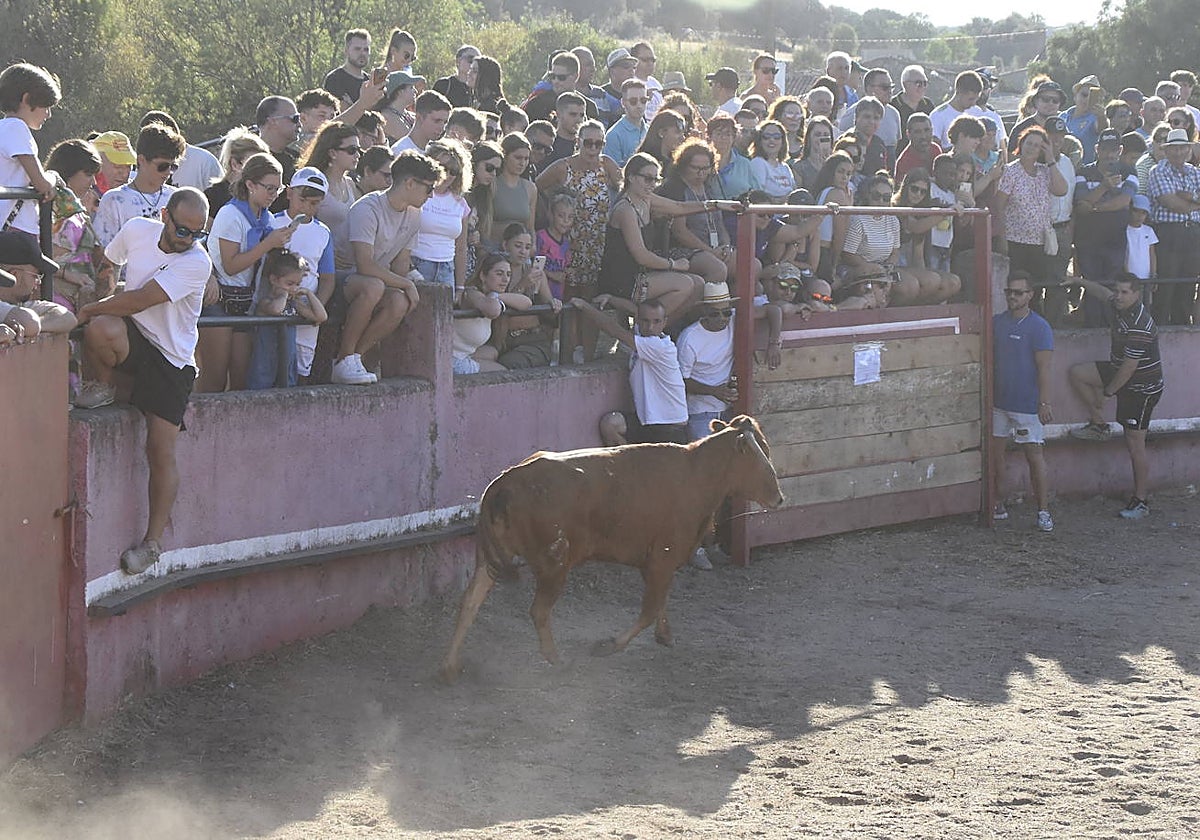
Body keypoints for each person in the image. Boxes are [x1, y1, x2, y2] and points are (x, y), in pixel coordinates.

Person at [73, 188, 213, 574]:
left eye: (197, 234)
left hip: (172, 361)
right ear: (165, 215)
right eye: (182, 230)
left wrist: (86, 308)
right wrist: (103, 289)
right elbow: (109, 262)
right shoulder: (136, 229)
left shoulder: (197, 263)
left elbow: (140, 300)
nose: (188, 240)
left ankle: (152, 543)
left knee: (159, 450)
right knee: (101, 328)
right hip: (135, 338)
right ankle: (101, 386)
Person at [332, 150, 444, 384]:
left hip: (375, 282)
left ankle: (355, 359)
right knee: (374, 286)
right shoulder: (368, 208)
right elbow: (364, 265)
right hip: (339, 280)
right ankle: (343, 358)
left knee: (399, 301)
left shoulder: (415, 214)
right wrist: (405, 284)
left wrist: (403, 287)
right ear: (410, 183)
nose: (431, 195)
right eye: (428, 188)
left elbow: (401, 264)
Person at [1068, 273, 1163, 520]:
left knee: (1135, 444)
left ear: (1136, 294)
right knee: (1078, 373)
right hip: (1120, 369)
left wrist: (1107, 393)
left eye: (1124, 292)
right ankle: (1099, 424)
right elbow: (1102, 292)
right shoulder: (1118, 303)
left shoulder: (1141, 323)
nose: (1118, 296)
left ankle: (1141, 501)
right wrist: (1080, 282)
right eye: (1118, 291)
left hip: (1142, 387)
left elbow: (1130, 368)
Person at [198, 152, 291, 392]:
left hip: (245, 300)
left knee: (241, 380)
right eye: (269, 189)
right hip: (218, 301)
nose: (274, 195)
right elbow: (231, 265)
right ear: (250, 184)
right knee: (214, 380)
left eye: (278, 190)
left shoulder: (264, 216)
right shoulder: (231, 215)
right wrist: (268, 244)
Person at [535, 120, 618, 358]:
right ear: (578, 142)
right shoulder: (563, 167)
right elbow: (536, 189)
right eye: (588, 143)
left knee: (589, 302)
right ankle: (566, 354)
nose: (593, 149)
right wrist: (552, 214)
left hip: (597, 245)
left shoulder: (608, 165)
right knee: (568, 300)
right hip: (567, 244)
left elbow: (623, 188)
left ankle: (587, 355)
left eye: (598, 143)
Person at [598, 152, 709, 322]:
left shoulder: (646, 199)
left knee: (699, 285)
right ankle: (645, 331)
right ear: (631, 177)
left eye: (656, 180)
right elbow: (641, 256)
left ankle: (656, 331)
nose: (652, 184)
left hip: (643, 273)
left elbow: (678, 207)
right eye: (648, 179)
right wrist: (674, 265)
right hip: (624, 280)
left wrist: (715, 205)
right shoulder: (625, 210)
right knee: (685, 284)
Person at [575, 295, 690, 445]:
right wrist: (610, 298)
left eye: (656, 322)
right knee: (610, 424)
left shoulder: (660, 347)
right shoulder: (642, 334)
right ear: (637, 320)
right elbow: (632, 309)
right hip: (647, 421)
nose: (650, 327)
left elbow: (615, 331)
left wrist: (585, 306)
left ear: (665, 322)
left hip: (670, 426)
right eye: (645, 321)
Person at [991, 271, 1055, 532]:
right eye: (1009, 291)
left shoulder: (1039, 327)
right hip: (998, 402)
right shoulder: (997, 322)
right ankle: (998, 503)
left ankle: (1043, 510)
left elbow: (1044, 369)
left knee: (1034, 456)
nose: (1012, 296)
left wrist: (1044, 403)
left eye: (1018, 292)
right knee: (995, 457)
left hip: (1027, 405)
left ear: (1030, 295)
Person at [269, 166, 335, 383]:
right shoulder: (271, 222)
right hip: (273, 309)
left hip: (306, 313)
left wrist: (313, 309)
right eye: (302, 199)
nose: (307, 207)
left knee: (300, 372)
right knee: (270, 365)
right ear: (289, 193)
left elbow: (327, 278)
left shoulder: (323, 233)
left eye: (314, 203)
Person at [993, 126, 1068, 290]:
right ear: (1022, 144)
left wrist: (1050, 159)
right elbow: (998, 206)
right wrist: (1002, 238)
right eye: (1029, 143)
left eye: (1037, 145)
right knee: (1015, 286)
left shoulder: (1044, 172)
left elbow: (1062, 190)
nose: (1031, 148)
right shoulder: (1010, 171)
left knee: (1035, 288)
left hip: (1040, 243)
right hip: (1015, 242)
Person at [1074, 129, 1137, 325]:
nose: (1109, 154)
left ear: (1120, 150)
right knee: (1092, 287)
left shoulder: (1128, 171)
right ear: (1097, 149)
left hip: (1115, 241)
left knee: (1113, 288)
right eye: (1105, 149)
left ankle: (1113, 329)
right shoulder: (1084, 171)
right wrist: (1104, 186)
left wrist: (1092, 207)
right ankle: (1093, 331)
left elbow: (1124, 201)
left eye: (1113, 150)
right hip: (1088, 242)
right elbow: (1079, 205)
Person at [94, 122, 186, 247]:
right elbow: (103, 252)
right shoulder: (114, 200)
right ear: (141, 160)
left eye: (173, 167)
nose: (168, 172)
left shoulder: (177, 198)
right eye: (162, 166)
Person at [246, 248, 327, 390]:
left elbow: (321, 316)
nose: (294, 289)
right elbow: (276, 310)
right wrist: (283, 294)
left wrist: (308, 294)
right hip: (264, 369)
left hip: (286, 369)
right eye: (289, 284)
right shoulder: (265, 302)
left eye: (297, 284)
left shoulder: (294, 304)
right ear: (273, 280)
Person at [44, 138, 106, 315]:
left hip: (80, 295)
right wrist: (66, 274)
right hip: (57, 296)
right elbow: (43, 257)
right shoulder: (50, 207)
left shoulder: (76, 208)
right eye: (88, 174)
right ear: (68, 172)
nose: (93, 181)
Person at [1146, 127, 1200, 325]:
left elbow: (1181, 202)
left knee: (1187, 286)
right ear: (1166, 150)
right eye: (1174, 148)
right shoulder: (1158, 171)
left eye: (1182, 148)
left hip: (1193, 233)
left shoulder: (1195, 172)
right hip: (1168, 233)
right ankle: (1158, 334)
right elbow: (1171, 203)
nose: (1178, 152)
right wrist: (1195, 202)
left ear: (1188, 150)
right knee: (1165, 287)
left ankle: (1182, 333)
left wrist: (1190, 198)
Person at [0, 62, 59, 238]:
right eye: (46, 106)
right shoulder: (16, 128)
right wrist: (53, 177)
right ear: (27, 99)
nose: (48, 114)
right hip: (16, 229)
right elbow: (41, 183)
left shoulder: (3, 128)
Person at [494, 222, 560, 368]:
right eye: (518, 246)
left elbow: (549, 307)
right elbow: (497, 305)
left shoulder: (536, 273)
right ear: (505, 245)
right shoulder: (497, 271)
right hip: (502, 339)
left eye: (527, 247)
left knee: (512, 364)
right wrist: (522, 285)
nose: (523, 251)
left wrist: (555, 304)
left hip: (532, 339)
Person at [453, 252, 530, 373]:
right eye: (499, 274)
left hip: (465, 353)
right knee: (503, 373)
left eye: (508, 275)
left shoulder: (494, 296)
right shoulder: (471, 293)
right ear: (483, 276)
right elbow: (492, 310)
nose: (505, 280)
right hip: (452, 358)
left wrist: (497, 295)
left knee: (492, 353)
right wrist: (494, 297)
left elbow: (526, 303)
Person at [411, 138, 471, 288]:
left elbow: (461, 248)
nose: (448, 175)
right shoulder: (415, 194)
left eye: (454, 171)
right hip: (416, 264)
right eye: (443, 167)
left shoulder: (460, 203)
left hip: (447, 269)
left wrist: (460, 286)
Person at [297, 121, 362, 254]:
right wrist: (328, 253)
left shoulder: (351, 184)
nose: (358, 155)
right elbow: (301, 227)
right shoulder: (314, 184)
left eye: (358, 150)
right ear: (332, 153)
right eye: (352, 150)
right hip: (319, 258)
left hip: (349, 261)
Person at [0, 230, 72, 337]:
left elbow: (67, 318)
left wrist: (26, 328)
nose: (39, 281)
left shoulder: (19, 303)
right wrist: (29, 326)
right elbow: (30, 322)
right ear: (14, 274)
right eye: (36, 275)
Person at [140, 110, 222, 193]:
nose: (168, 172)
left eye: (173, 166)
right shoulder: (143, 164)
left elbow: (220, 199)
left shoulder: (204, 162)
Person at [203, 127, 270, 222]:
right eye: (253, 163)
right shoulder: (213, 197)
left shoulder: (259, 195)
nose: (261, 169)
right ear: (235, 164)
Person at [486, 132, 536, 245]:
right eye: (518, 158)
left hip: (521, 252)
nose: (522, 163)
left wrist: (533, 246)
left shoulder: (530, 188)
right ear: (505, 156)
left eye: (526, 159)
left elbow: (530, 227)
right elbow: (484, 225)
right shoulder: (491, 183)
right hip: (494, 248)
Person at [839, 69, 901, 158]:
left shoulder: (894, 113)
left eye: (891, 87)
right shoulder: (853, 113)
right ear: (869, 88)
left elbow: (895, 146)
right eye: (885, 87)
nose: (890, 91)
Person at [254, 96, 301, 208]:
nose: (300, 124)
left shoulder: (296, 159)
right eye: (295, 118)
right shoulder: (250, 158)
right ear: (273, 121)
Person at [465, 140, 502, 274]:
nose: (493, 174)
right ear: (474, 164)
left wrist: (476, 238)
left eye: (497, 170)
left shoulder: (483, 196)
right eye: (489, 168)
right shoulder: (459, 194)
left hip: (470, 261)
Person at [536, 190, 575, 301]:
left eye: (570, 217)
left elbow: (564, 267)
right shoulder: (541, 237)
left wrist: (568, 274)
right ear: (551, 215)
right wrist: (551, 275)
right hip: (540, 295)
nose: (565, 221)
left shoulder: (566, 244)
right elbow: (533, 266)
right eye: (561, 216)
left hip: (558, 295)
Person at [1062, 75, 1109, 166]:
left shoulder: (1096, 118)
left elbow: (1103, 130)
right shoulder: (1063, 116)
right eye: (1084, 95)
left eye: (1092, 96)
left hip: (1084, 172)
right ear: (1075, 96)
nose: (1087, 99)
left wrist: (1102, 117)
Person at [324, 28, 373, 110]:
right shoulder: (335, 79)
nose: (362, 53)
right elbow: (343, 114)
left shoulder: (370, 82)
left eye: (366, 49)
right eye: (357, 49)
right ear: (346, 50)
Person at [604, 79, 649, 167]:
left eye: (643, 100)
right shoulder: (613, 135)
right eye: (633, 101)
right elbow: (613, 173)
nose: (639, 105)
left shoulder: (650, 130)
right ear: (623, 103)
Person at [390, 90, 451, 154]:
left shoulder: (437, 152)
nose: (442, 128)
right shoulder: (400, 150)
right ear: (419, 117)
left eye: (445, 122)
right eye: (437, 121)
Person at [748, 119, 795, 200]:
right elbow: (759, 196)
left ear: (783, 141)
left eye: (776, 137)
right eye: (766, 137)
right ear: (760, 140)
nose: (771, 140)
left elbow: (794, 191)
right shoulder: (758, 163)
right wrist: (783, 200)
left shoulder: (785, 167)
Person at [894, 113, 941, 182]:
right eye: (917, 132)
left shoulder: (936, 149)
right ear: (908, 134)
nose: (923, 136)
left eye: (927, 130)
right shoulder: (904, 163)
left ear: (932, 130)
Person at [894, 65, 933, 146]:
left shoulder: (928, 104)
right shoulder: (893, 105)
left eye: (925, 83)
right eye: (918, 83)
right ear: (905, 85)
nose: (922, 87)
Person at [600, 49, 639, 127]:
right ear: (612, 71)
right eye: (626, 66)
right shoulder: (600, 95)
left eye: (634, 67)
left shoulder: (637, 94)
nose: (631, 70)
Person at [547, 91, 588, 166]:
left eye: (582, 115)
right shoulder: (548, 145)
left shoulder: (588, 145)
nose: (578, 120)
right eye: (573, 114)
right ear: (559, 114)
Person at [294, 89, 341, 154]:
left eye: (332, 117)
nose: (328, 122)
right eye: (322, 116)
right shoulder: (293, 140)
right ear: (303, 118)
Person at [433, 44, 480, 108]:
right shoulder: (444, 85)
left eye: (478, 61)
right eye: (470, 59)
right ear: (458, 61)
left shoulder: (480, 90)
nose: (474, 64)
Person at [1125, 194, 1157, 282]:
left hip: (1146, 278)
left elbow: (1152, 254)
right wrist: (1127, 275)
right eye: (1136, 211)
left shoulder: (1149, 231)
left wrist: (1153, 274)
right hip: (1129, 280)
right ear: (1130, 211)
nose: (1139, 215)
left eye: (1143, 212)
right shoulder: (1124, 230)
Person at [630, 42, 664, 120]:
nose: (650, 63)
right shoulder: (630, 83)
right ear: (634, 60)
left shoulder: (656, 84)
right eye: (645, 60)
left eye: (653, 60)